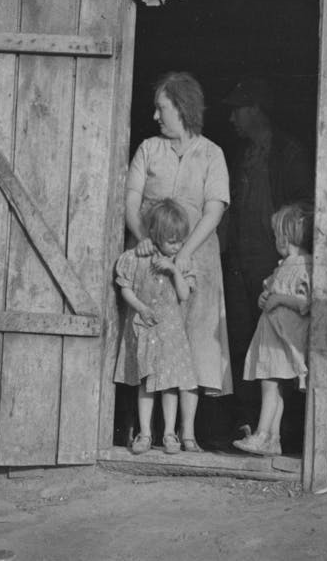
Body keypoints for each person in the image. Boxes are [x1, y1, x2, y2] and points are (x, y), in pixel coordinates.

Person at [124, 71, 232, 453]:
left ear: (182, 108)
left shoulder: (212, 154)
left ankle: (186, 433)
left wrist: (184, 253)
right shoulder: (148, 149)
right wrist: (145, 242)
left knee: (195, 345)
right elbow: (132, 200)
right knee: (153, 342)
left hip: (197, 261)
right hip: (151, 262)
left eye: (162, 108)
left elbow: (214, 210)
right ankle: (149, 432)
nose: (156, 116)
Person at [223, 77, 313, 442]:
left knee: (281, 348)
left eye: (238, 110)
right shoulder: (241, 155)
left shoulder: (289, 152)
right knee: (246, 340)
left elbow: (305, 205)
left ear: (256, 109)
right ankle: (249, 422)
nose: (232, 118)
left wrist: (284, 237)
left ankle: (281, 428)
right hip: (241, 261)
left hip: (277, 265)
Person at [113, 199, 198, 455]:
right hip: (146, 328)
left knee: (170, 384)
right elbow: (125, 288)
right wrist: (140, 307)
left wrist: (174, 270)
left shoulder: (181, 263)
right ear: (155, 236)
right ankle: (145, 433)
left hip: (171, 333)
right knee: (146, 382)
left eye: (180, 241)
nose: (178, 246)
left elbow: (184, 295)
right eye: (172, 241)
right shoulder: (136, 258)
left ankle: (170, 433)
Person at [233, 202, 314, 457]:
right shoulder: (285, 265)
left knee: (269, 386)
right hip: (272, 337)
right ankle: (274, 440)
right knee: (275, 388)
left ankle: (262, 434)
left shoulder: (304, 266)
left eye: (277, 235)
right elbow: (273, 292)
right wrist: (265, 298)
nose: (274, 240)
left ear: (286, 237)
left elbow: (307, 303)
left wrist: (279, 299)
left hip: (282, 338)